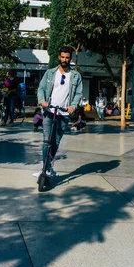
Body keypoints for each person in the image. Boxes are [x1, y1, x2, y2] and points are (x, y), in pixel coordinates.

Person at [34, 46, 83, 177]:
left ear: (70, 59)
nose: (64, 60)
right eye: (62, 57)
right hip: (49, 111)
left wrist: (73, 106)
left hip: (64, 113)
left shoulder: (75, 76)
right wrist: (42, 100)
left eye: (67, 57)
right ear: (59, 57)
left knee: (55, 142)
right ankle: (44, 168)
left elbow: (78, 94)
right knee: (46, 141)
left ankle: (49, 166)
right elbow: (41, 88)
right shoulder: (50, 73)